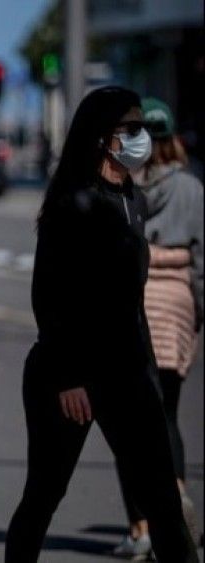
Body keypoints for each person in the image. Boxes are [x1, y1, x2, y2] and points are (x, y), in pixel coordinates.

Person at [4, 86, 198, 563]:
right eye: (129, 129)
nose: (141, 138)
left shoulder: (133, 199)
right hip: (71, 378)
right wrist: (68, 378)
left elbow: (131, 304)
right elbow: (49, 297)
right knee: (44, 496)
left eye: (144, 130)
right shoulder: (75, 203)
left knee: (164, 505)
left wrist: (149, 379)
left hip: (129, 375)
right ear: (101, 137)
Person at [110, 97, 204, 558]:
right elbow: (203, 259)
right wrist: (197, 311)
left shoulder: (127, 185)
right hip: (180, 304)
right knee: (169, 412)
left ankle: (140, 527)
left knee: (130, 422)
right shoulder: (192, 188)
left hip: (141, 304)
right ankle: (178, 491)